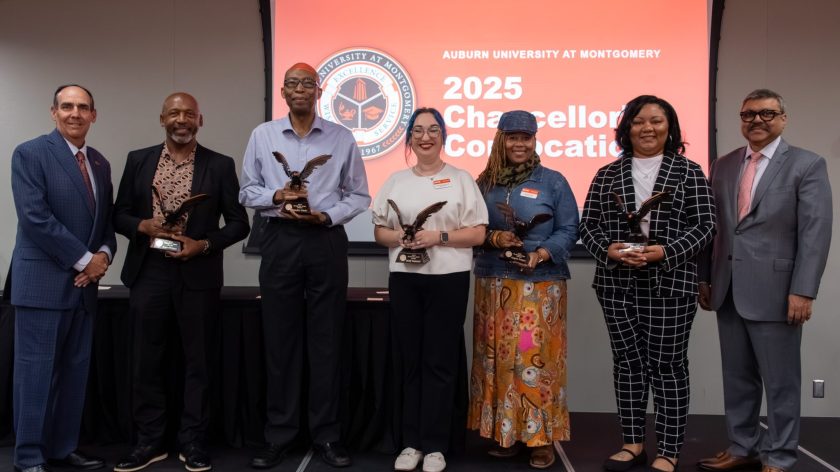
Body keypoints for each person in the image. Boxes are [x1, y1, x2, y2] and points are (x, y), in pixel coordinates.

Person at [239, 62, 370, 469]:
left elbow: (359, 195)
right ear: (283, 91)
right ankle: (279, 434)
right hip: (279, 240)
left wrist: (327, 216)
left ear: (319, 90)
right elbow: (247, 190)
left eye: (307, 83)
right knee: (280, 339)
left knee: (326, 339)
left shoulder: (341, 137)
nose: (300, 89)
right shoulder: (262, 135)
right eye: (293, 83)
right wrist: (277, 197)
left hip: (324, 239)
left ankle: (327, 435)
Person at [112, 93, 250, 472]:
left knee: (198, 362)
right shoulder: (138, 160)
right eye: (174, 113)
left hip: (197, 273)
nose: (182, 119)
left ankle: (193, 441)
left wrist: (202, 245)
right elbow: (119, 214)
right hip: (149, 272)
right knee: (146, 360)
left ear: (200, 121)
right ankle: (149, 441)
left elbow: (239, 223)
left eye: (189, 113)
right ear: (162, 119)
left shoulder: (219, 165)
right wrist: (142, 225)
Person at [697, 89, 832, 472]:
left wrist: (803, 290)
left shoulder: (807, 164)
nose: (757, 120)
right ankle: (742, 447)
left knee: (780, 382)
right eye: (749, 114)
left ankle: (780, 455)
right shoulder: (723, 165)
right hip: (727, 288)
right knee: (737, 378)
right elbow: (712, 227)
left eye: (767, 113)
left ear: (783, 119)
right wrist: (704, 277)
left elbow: (815, 233)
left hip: (778, 293)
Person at [579, 95, 715, 472]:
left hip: (671, 283)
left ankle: (668, 451)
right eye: (638, 121)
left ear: (670, 127)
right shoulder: (607, 174)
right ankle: (633, 443)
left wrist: (665, 252)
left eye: (656, 120)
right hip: (617, 284)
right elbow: (587, 226)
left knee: (668, 366)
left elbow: (706, 227)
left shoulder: (689, 172)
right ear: (627, 129)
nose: (647, 128)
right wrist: (608, 250)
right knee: (627, 365)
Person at [371, 107, 487, 472]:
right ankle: (411, 443)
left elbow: (478, 234)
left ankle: (436, 445)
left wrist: (439, 237)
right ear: (409, 138)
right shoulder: (395, 181)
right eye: (418, 130)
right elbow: (380, 232)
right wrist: (402, 237)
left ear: (443, 136)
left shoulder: (461, 179)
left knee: (439, 362)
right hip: (405, 279)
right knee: (410, 361)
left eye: (433, 130)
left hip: (448, 279)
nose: (426, 137)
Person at [10, 84, 117, 472]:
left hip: (83, 290)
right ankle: (29, 457)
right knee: (35, 375)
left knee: (74, 374)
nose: (75, 113)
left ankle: (61, 447)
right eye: (67, 106)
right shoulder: (30, 153)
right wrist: (85, 261)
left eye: (83, 107)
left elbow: (105, 223)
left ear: (93, 115)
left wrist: (103, 255)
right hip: (42, 286)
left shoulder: (100, 163)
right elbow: (35, 218)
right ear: (53, 112)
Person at [467, 110, 579, 469]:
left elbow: (570, 228)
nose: (520, 144)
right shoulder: (484, 182)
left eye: (526, 138)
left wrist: (540, 254)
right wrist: (494, 238)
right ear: (501, 140)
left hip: (539, 286)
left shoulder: (553, 181)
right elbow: (471, 227)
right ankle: (507, 434)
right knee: (496, 361)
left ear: (534, 140)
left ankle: (540, 438)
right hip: (493, 282)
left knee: (534, 361)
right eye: (512, 137)